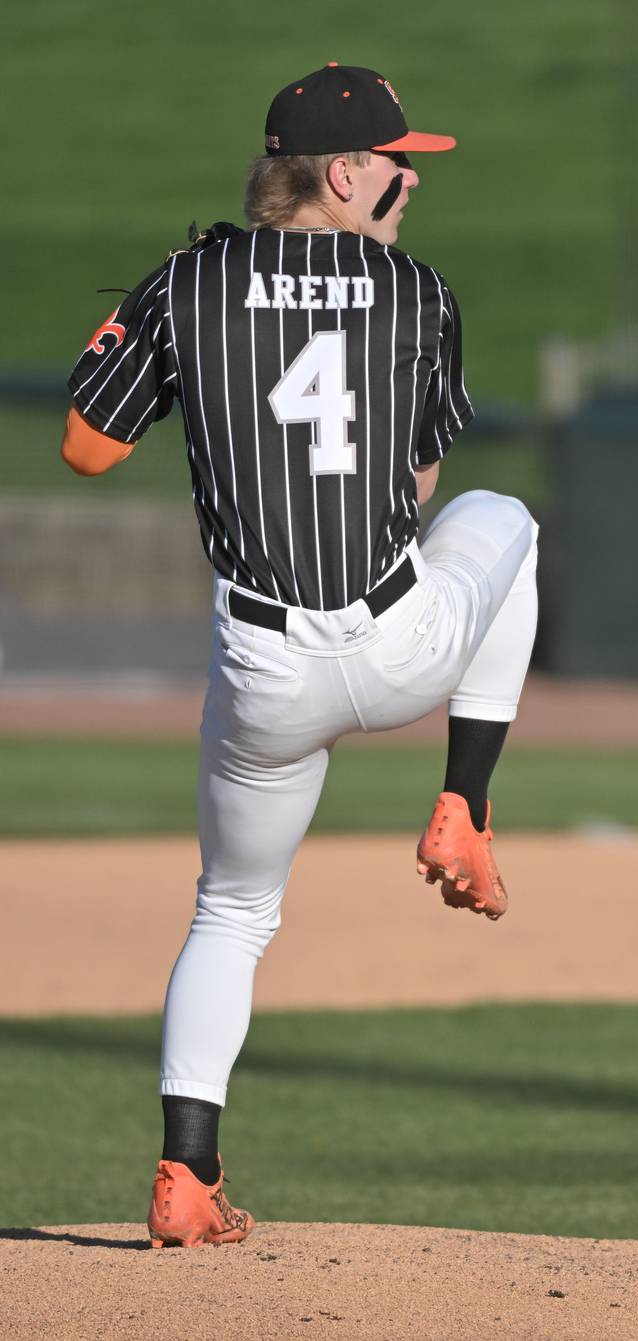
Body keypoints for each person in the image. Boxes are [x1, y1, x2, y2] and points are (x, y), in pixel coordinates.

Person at [62, 62, 539, 1248]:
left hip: (262, 673)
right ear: (341, 173)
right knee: (506, 524)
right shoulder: (416, 293)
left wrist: (141, 330)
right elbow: (420, 485)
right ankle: (464, 803)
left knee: (229, 909)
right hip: (398, 637)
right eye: (396, 163)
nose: (408, 182)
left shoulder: (187, 283)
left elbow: (86, 449)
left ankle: (187, 1175)